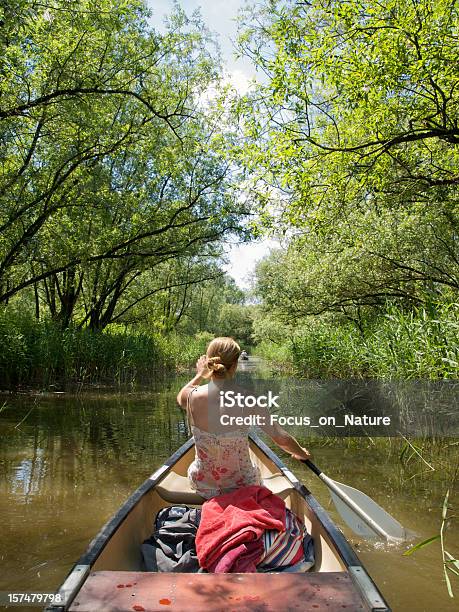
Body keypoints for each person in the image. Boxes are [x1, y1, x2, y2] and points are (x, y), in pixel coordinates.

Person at [176, 337, 311, 499]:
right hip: (242, 486)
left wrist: (199, 375)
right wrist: (302, 453)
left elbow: (181, 396)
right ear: (235, 366)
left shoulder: (191, 396)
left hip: (203, 484)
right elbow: (281, 438)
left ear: (209, 363)